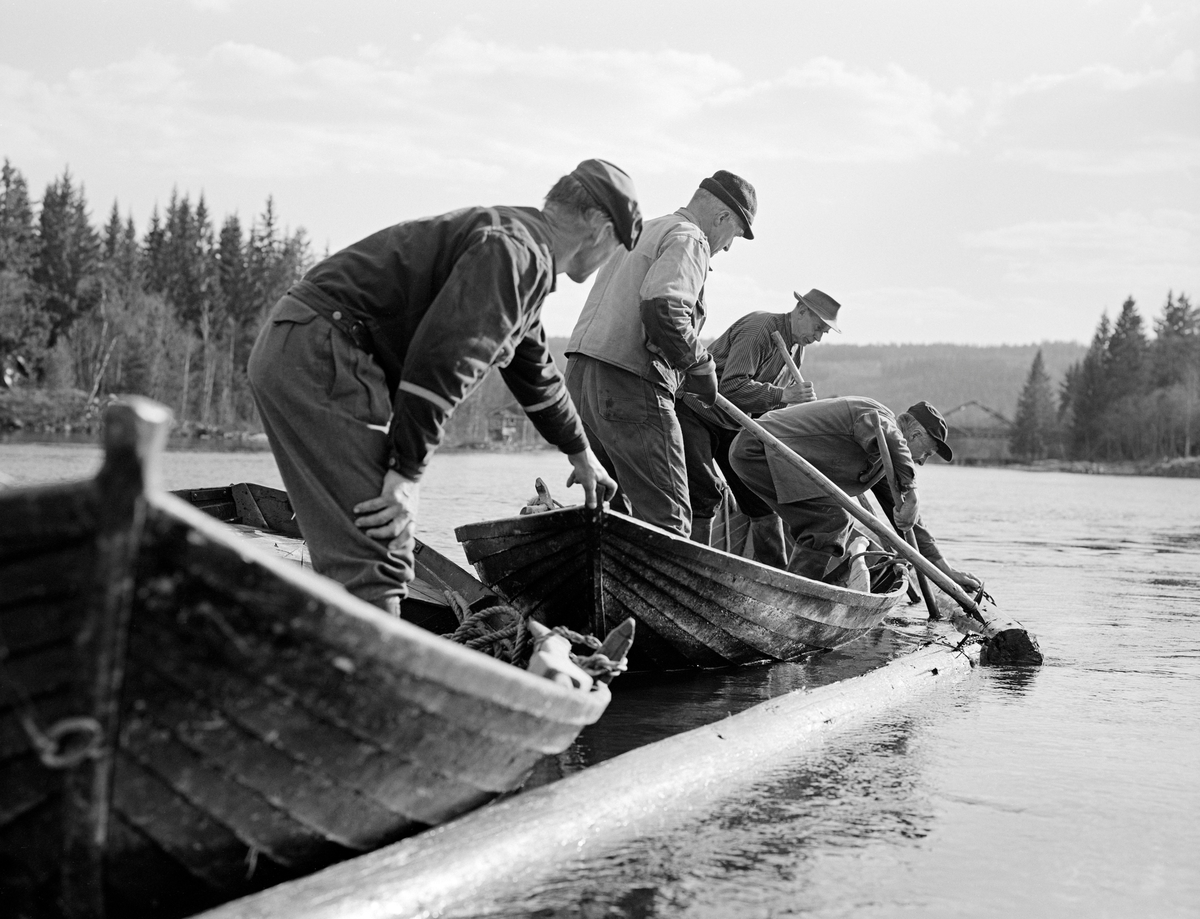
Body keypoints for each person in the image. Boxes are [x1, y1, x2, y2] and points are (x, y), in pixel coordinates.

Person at [248, 159, 641, 614]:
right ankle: (380, 677)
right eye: (618, 242)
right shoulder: (513, 254)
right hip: (323, 352)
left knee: (358, 547)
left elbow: (535, 372)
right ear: (596, 224)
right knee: (379, 550)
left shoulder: (519, 248)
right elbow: (442, 363)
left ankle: (332, 655)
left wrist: (582, 456)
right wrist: (405, 474)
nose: (613, 255)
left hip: (300, 345)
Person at [564, 170, 757, 537]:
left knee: (610, 506)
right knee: (668, 518)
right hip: (628, 384)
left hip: (580, 379)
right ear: (722, 218)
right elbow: (663, 306)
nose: (729, 247)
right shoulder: (690, 238)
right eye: (735, 235)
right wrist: (699, 365)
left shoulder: (642, 232)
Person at [728, 397, 981, 589]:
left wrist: (945, 570)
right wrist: (912, 489)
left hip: (763, 454)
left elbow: (907, 521)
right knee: (831, 521)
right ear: (914, 435)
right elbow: (889, 434)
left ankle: (793, 590)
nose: (922, 462)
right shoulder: (878, 417)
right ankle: (795, 598)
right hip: (759, 447)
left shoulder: (883, 462)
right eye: (926, 453)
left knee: (827, 522)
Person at [677, 288, 841, 561]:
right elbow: (730, 387)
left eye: (824, 331)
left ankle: (776, 576)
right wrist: (783, 395)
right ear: (801, 311)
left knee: (762, 499)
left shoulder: (797, 350)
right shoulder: (760, 329)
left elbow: (769, 406)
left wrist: (787, 406)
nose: (819, 336)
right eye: (818, 327)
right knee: (703, 493)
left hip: (735, 423)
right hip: (696, 411)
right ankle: (696, 566)